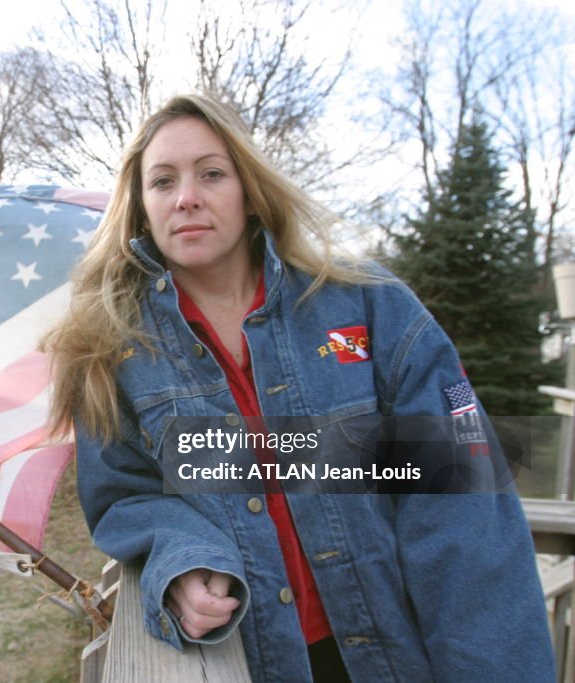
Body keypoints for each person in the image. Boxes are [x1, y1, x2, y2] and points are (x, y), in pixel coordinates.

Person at [41, 93, 554, 682]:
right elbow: (126, 494)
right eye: (162, 181)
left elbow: (465, 515)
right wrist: (181, 560)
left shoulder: (368, 304)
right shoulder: (110, 351)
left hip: (399, 655)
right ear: (140, 207)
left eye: (211, 173)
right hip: (252, 660)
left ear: (250, 191)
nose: (187, 197)